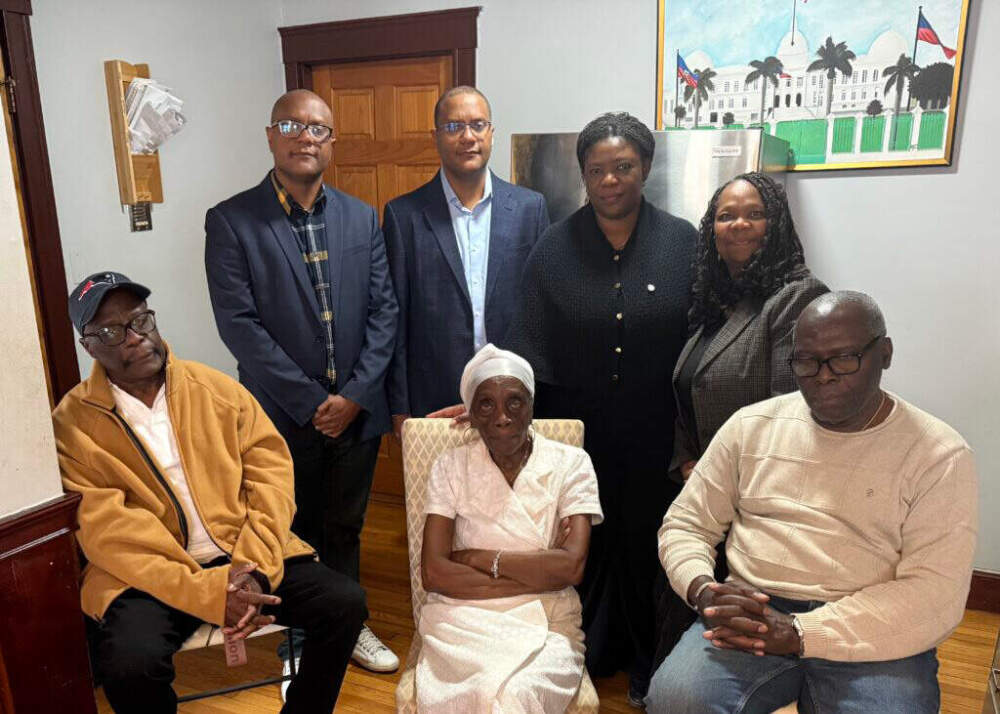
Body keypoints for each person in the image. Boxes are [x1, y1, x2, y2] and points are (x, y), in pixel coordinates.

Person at [646, 291, 978, 713]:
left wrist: (802, 632)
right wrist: (703, 590)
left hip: (873, 624)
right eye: (806, 361)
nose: (823, 376)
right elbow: (685, 524)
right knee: (676, 700)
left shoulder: (939, 454)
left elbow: (935, 593)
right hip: (754, 610)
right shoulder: (751, 427)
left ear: (885, 353)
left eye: (843, 359)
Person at [53, 272, 367, 714]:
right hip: (150, 575)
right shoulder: (72, 423)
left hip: (243, 553)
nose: (134, 337)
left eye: (140, 320)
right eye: (110, 331)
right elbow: (107, 531)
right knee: (130, 663)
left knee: (344, 604)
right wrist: (207, 591)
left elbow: (271, 479)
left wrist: (251, 570)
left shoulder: (216, 389)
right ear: (88, 346)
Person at [204, 89, 399, 680]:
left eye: (318, 128)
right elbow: (240, 328)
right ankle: (298, 634)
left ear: (332, 143)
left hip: (358, 411)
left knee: (344, 524)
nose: (305, 136)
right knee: (286, 528)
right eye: (291, 124)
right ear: (270, 135)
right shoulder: (232, 221)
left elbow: (384, 313)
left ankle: (350, 623)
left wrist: (354, 397)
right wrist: (316, 404)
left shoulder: (361, 217)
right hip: (280, 417)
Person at [504, 112, 698, 703]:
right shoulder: (553, 248)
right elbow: (527, 343)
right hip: (575, 433)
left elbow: (702, 336)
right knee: (582, 544)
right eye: (597, 170)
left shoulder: (683, 243)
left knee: (646, 548)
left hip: (654, 433)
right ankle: (583, 650)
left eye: (623, 167)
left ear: (644, 168)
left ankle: (646, 658)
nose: (610, 180)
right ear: (583, 175)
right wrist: (504, 411)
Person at [653, 173, 829, 664]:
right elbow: (688, 390)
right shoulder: (713, 302)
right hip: (702, 489)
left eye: (754, 213)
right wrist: (689, 462)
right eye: (726, 215)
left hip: (757, 497)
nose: (739, 225)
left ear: (775, 224)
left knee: (730, 633)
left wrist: (719, 475)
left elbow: (792, 416)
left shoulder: (797, 298)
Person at [418, 344, 603, 712]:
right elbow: (434, 572)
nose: (502, 416)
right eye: (486, 404)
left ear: (532, 405)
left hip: (549, 620)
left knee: (516, 695)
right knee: (483, 691)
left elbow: (572, 568)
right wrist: (540, 570)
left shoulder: (571, 463)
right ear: (470, 414)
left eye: (514, 401)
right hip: (461, 621)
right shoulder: (451, 466)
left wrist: (476, 557)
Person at [383, 86, 549, 437]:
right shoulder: (404, 216)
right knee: (442, 493)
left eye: (478, 125)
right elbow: (394, 319)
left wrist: (541, 395)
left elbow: (542, 312)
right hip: (435, 403)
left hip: (514, 397)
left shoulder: (529, 209)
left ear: (491, 133)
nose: (468, 137)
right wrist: (399, 408)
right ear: (436, 137)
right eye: (454, 127)